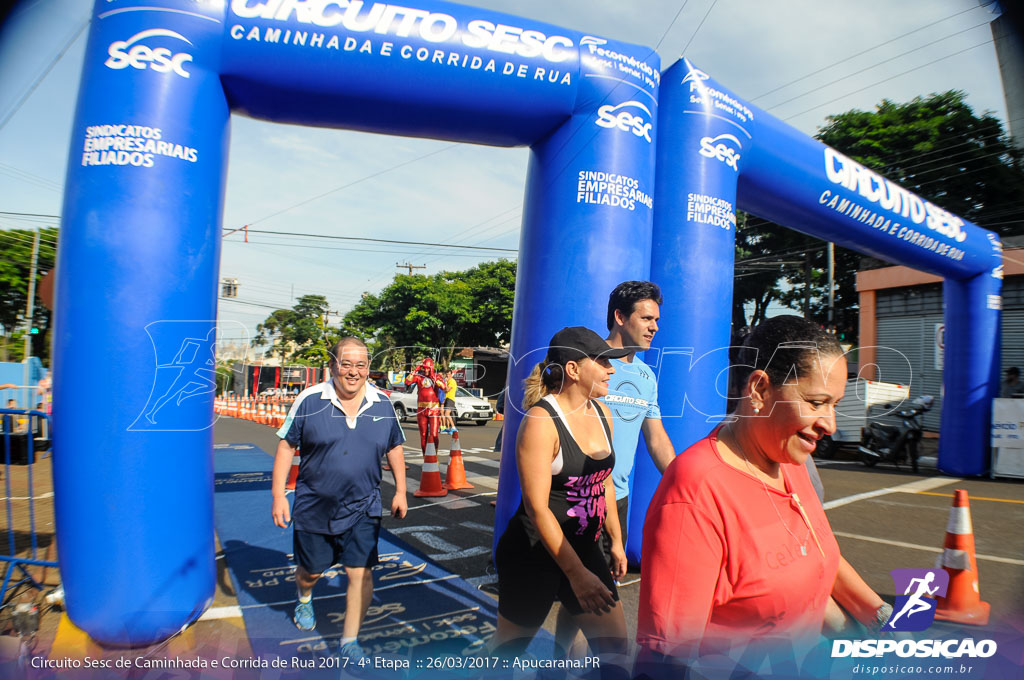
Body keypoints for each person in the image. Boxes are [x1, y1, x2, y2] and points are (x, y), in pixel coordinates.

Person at [636, 316, 890, 677]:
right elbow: (667, 659)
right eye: (816, 402)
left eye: (834, 404)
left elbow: (816, 557)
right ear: (759, 389)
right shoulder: (695, 493)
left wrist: (882, 622)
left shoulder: (791, 460)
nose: (830, 424)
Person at [492, 326, 631, 665]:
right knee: (506, 653)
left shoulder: (602, 412)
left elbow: (605, 482)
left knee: (615, 651)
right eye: (602, 362)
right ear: (573, 369)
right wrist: (576, 574)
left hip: (584, 548)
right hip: (535, 553)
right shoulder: (542, 421)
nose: (611, 370)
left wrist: (615, 540)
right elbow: (537, 509)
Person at [556, 281, 678, 653]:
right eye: (646, 318)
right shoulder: (586, 366)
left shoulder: (646, 377)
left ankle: (559, 661)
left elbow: (656, 439)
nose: (655, 326)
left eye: (657, 319)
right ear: (620, 317)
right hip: (576, 497)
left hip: (615, 499)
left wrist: (685, 480)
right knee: (584, 595)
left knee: (588, 593)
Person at [271, 337, 407, 663]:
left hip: (364, 504)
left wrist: (401, 490)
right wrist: (278, 495)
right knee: (312, 571)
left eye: (361, 365)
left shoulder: (382, 403)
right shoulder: (309, 400)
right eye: (346, 364)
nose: (353, 372)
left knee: (360, 572)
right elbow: (286, 446)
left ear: (369, 368)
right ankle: (304, 597)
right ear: (333, 365)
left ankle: (349, 641)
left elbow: (394, 447)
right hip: (314, 506)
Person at [405, 357, 442, 452]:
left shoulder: (437, 376)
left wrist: (433, 376)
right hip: (421, 409)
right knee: (423, 435)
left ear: (432, 368)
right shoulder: (419, 377)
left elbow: (444, 387)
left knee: (434, 434)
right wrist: (415, 370)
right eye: (424, 368)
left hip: (434, 409)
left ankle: (435, 456)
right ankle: (425, 457)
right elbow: (407, 381)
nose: (426, 370)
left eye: (428, 368)